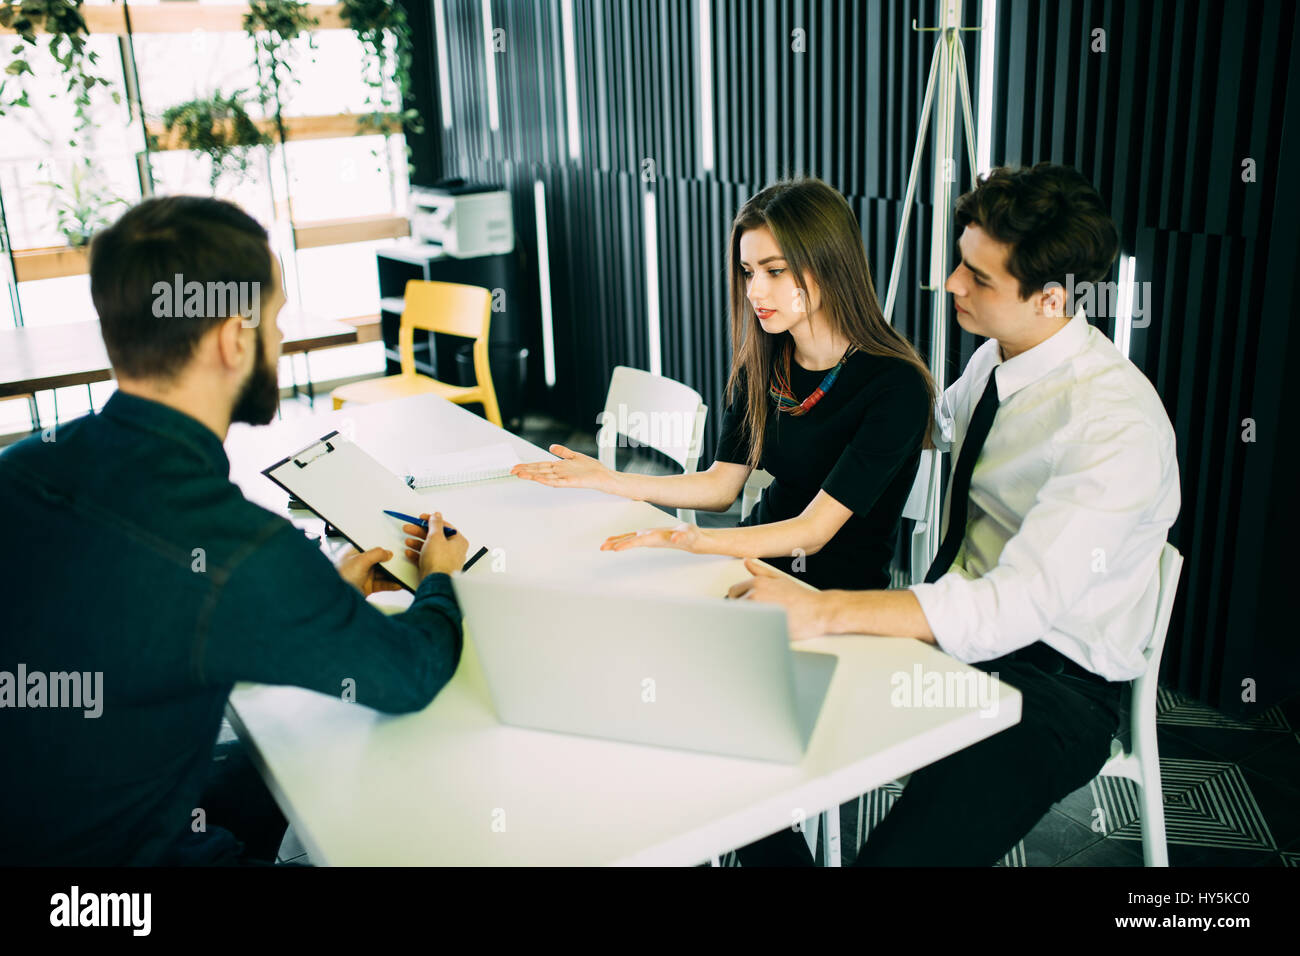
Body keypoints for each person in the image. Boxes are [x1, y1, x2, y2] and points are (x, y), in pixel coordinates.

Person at [728, 163, 1181, 865]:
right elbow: (915, 430)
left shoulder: (1113, 428)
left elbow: (1015, 607)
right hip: (947, 633)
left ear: (1054, 298)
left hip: (1052, 684)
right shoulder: (997, 362)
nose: (951, 286)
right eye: (958, 263)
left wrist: (828, 609)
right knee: (734, 743)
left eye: (980, 278)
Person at [0, 196, 470, 866]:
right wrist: (441, 577)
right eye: (274, 321)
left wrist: (313, 599)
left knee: (269, 772)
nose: (278, 341)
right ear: (232, 338)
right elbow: (412, 676)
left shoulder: (19, 469)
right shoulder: (235, 548)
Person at [512, 177, 935, 592]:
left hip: (831, 598)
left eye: (774, 271)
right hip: (749, 562)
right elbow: (721, 484)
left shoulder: (896, 387)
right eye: (749, 272)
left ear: (829, 266)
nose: (754, 291)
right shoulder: (767, 360)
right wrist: (612, 480)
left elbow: (813, 532)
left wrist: (700, 543)